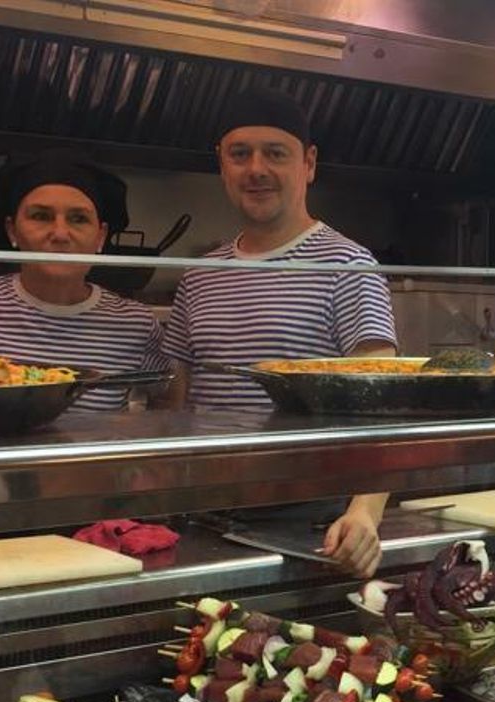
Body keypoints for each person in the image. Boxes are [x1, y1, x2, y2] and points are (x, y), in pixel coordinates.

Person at [161, 87, 397, 579]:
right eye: (240, 154)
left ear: (308, 163)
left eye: (275, 153)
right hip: (203, 520)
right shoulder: (200, 274)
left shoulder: (348, 265)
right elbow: (178, 403)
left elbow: (387, 404)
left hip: (310, 525)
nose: (256, 169)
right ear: (222, 164)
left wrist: (364, 513)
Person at [0, 149, 166, 411]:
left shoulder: (136, 324)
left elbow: (166, 412)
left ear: (100, 237)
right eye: (41, 216)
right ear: (12, 230)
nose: (60, 233)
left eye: (79, 219)